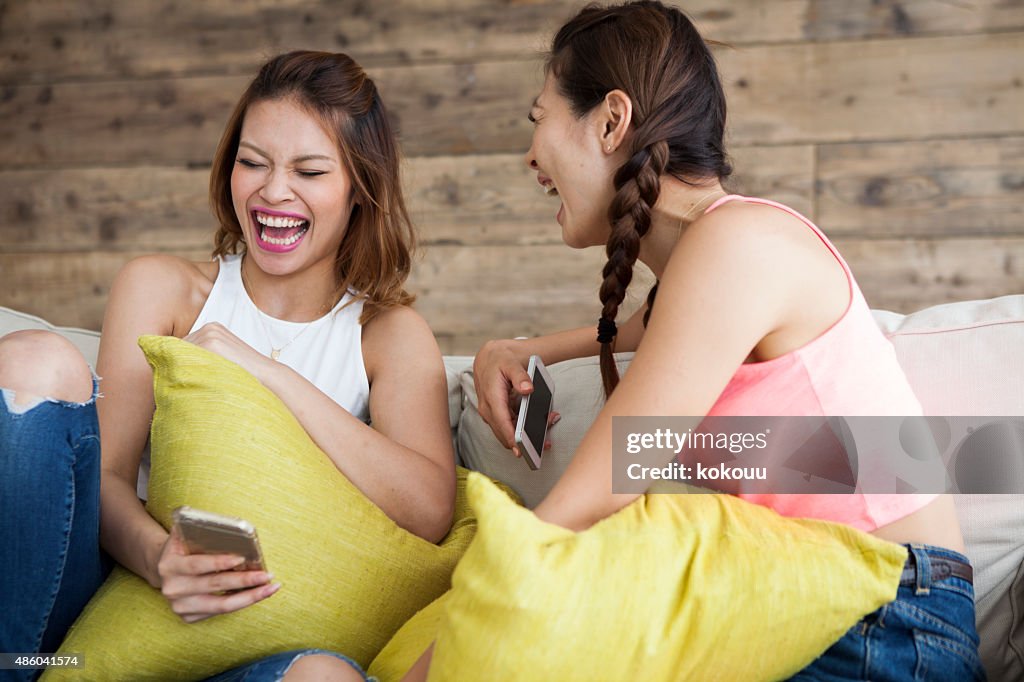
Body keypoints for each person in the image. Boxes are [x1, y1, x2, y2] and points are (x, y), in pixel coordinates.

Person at [404, 2, 984, 680]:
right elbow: (620, 337)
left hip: (895, 619)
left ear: (611, 121)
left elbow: (596, 492)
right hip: (814, 602)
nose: (531, 155)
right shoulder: (702, 272)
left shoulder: (738, 247)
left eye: (540, 120)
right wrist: (505, 350)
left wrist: (429, 666)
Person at [0, 50, 455, 682]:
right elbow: (103, 479)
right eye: (253, 162)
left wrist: (267, 374)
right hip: (105, 604)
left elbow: (430, 508)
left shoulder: (387, 334)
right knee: (33, 360)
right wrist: (161, 559)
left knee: (327, 677)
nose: (273, 192)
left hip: (261, 645)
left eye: (310, 171)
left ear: (360, 188)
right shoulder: (162, 290)